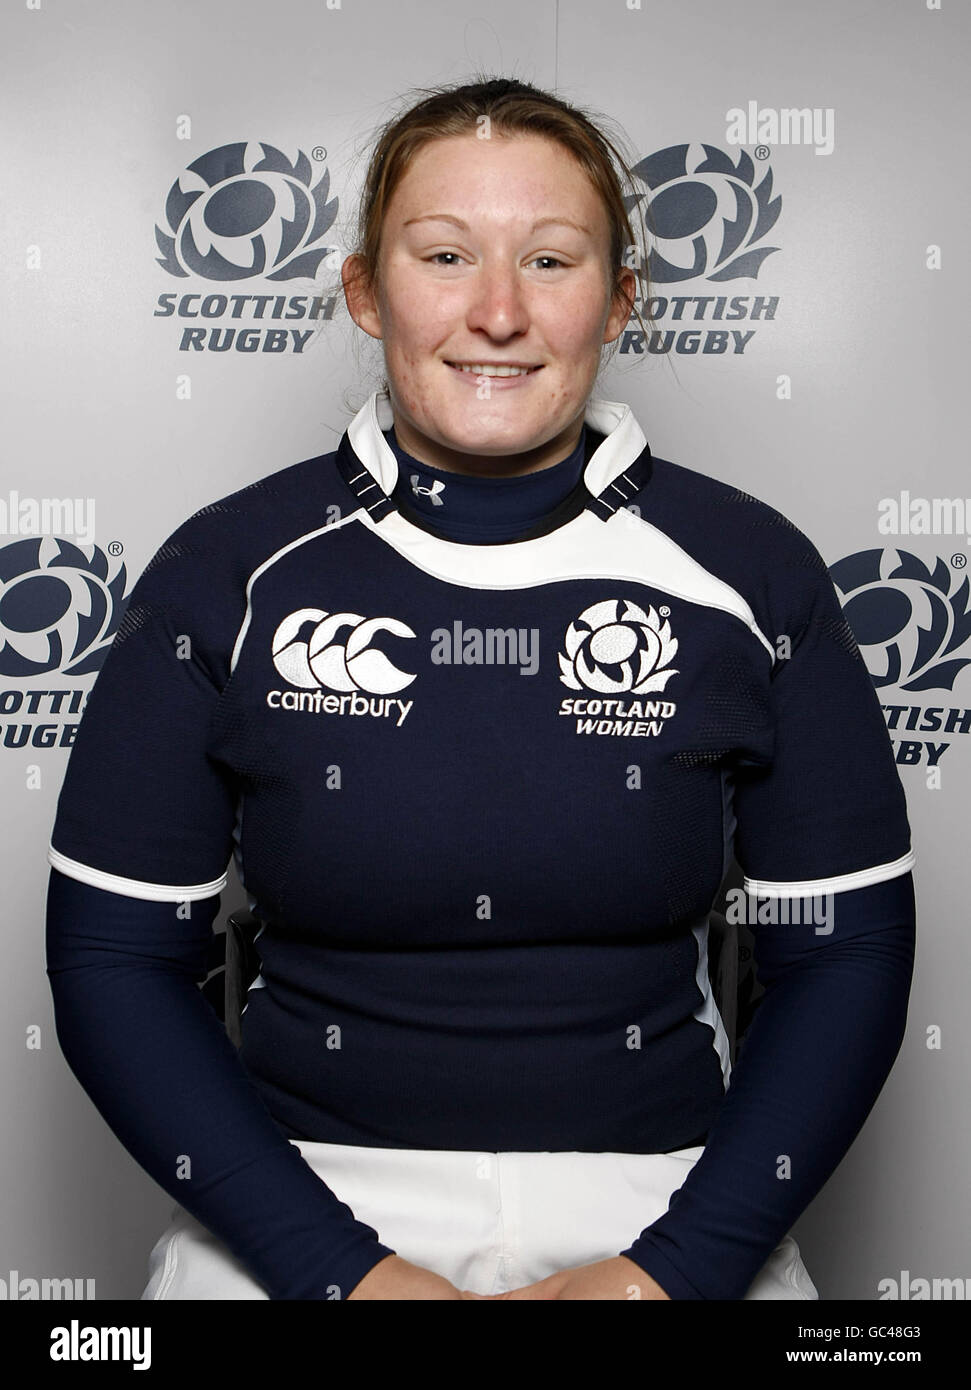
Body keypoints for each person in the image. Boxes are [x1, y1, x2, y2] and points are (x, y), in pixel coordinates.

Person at [45, 75, 916, 1302]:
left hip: (663, 1202)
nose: (495, 311)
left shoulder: (748, 570)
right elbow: (112, 959)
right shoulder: (227, 569)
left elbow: (844, 954)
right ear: (364, 289)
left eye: (550, 261)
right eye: (443, 254)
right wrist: (340, 1272)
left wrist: (670, 1270)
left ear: (618, 302)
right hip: (301, 1205)